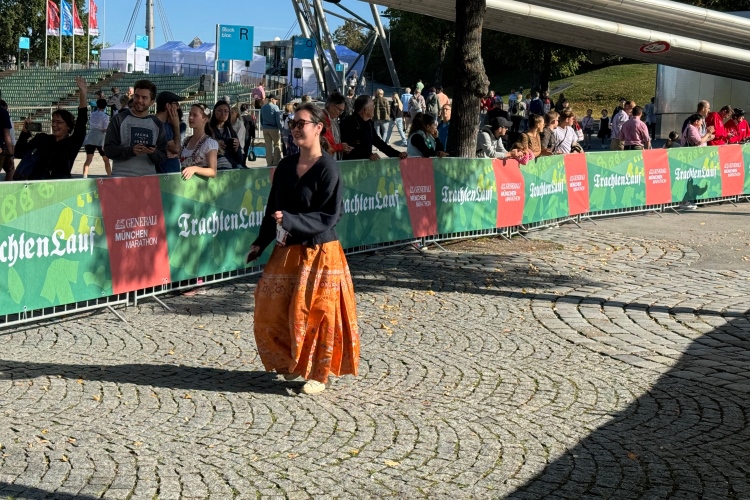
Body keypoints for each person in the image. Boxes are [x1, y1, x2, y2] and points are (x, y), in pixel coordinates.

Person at [245, 103, 360, 396]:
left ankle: (319, 374)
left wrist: (291, 220)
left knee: (318, 314)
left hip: (320, 251)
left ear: (318, 128)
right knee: (271, 308)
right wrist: (261, 241)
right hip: (288, 249)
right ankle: (290, 362)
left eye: (301, 123)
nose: (295, 128)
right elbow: (273, 208)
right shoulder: (285, 166)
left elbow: (330, 215)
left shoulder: (328, 168)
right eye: (292, 123)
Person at [15, 76, 89, 180]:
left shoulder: (72, 143)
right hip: (35, 184)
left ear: (68, 127)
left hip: (59, 186)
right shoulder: (41, 138)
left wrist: (83, 93)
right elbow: (18, 153)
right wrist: (24, 133)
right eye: (53, 121)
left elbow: (81, 121)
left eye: (59, 122)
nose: (54, 125)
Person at [104, 79, 167, 177]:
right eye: (137, 96)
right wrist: (131, 151)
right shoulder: (118, 119)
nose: (139, 100)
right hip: (122, 179)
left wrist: (153, 152)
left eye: (144, 98)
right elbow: (108, 150)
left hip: (148, 181)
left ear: (152, 102)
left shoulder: (157, 124)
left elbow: (162, 157)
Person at [340, 95, 408, 161]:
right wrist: (368, 155)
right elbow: (348, 148)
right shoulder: (348, 123)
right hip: (350, 165)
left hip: (364, 165)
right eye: (373, 106)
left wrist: (397, 154)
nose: (374, 108)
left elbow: (378, 142)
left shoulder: (369, 122)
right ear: (366, 110)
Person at [180, 103, 218, 180]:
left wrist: (195, 169)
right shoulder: (186, 141)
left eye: (195, 115)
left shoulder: (209, 143)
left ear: (205, 119)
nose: (190, 117)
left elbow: (213, 171)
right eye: (190, 114)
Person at [154, 91, 183, 173]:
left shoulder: (167, 124)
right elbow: (176, 149)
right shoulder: (159, 125)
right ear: (168, 106)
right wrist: (176, 127)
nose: (178, 107)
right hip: (164, 175)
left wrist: (177, 153)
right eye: (176, 104)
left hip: (170, 174)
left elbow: (178, 149)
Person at [82, 98, 112, 177]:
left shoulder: (92, 114)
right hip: (100, 138)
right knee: (106, 160)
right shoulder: (105, 116)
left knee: (88, 160)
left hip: (91, 136)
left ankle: (84, 176)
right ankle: (110, 176)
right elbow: (105, 128)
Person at [210, 101, 242, 170]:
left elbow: (239, 159)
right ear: (214, 112)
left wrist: (237, 148)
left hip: (230, 168)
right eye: (219, 110)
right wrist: (214, 144)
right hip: (214, 167)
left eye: (226, 111)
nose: (223, 113)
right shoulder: (207, 129)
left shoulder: (231, 132)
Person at [321, 93, 352, 159]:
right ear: (331, 106)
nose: (340, 113)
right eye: (339, 110)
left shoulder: (332, 119)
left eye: (342, 111)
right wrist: (340, 147)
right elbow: (324, 146)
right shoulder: (322, 119)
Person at [261, 95, 283, 166]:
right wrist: (281, 129)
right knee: (277, 145)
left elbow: (261, 119)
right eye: (276, 100)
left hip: (265, 128)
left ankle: (269, 162)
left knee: (268, 146)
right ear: (272, 99)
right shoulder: (275, 107)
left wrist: (264, 126)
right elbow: (278, 120)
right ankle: (276, 162)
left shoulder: (263, 107)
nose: (276, 102)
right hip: (273, 128)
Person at [0, 98, 15, 181]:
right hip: (2, 148)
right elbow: (7, 136)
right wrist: (11, 155)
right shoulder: (4, 113)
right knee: (11, 170)